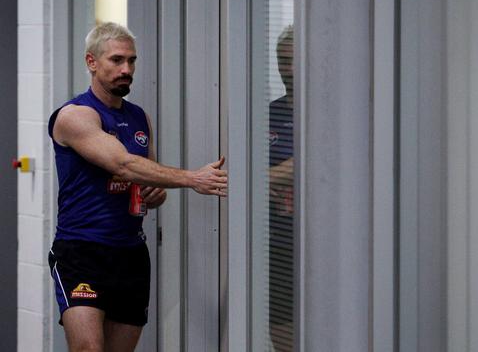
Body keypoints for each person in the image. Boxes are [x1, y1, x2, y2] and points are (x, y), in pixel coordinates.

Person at [47, 22, 227, 352]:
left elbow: (143, 179)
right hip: (82, 251)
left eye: (131, 61)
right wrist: (192, 178)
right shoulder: (75, 116)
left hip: (130, 253)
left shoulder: (140, 117)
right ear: (92, 62)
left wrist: (154, 195)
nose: (126, 69)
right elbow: (123, 164)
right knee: (88, 348)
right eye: (116, 60)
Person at [268, 25, 294, 352]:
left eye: (294, 61)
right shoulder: (269, 114)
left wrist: (266, 177)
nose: (287, 69)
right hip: (279, 240)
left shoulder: (332, 114)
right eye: (281, 61)